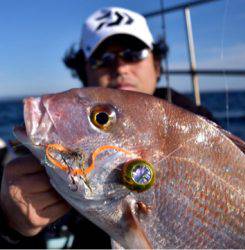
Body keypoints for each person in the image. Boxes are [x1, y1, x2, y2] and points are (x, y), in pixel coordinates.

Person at [0, 6, 214, 248]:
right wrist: (9, 224)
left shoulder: (205, 127)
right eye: (104, 59)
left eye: (134, 53)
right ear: (84, 71)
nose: (120, 67)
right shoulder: (42, 154)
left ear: (156, 65)